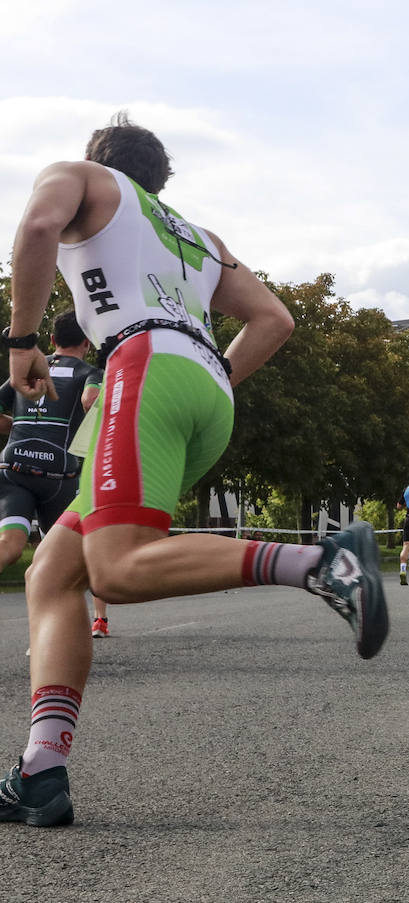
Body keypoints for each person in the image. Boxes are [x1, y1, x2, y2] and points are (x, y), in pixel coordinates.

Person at [0, 114, 387, 828]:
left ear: (102, 162)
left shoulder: (79, 177)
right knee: (53, 571)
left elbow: (34, 230)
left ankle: (325, 561)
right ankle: (41, 773)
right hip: (205, 388)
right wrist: (209, 376)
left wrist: (22, 339)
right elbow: (274, 319)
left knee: (117, 569)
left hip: (143, 367)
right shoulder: (198, 238)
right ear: (160, 181)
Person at [0, 312, 109, 636]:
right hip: (57, 476)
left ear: (51, 341)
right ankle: (78, 628)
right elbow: (90, 401)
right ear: (87, 343)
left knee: (9, 544)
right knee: (72, 558)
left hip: (13, 467)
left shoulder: (29, 365)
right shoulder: (90, 371)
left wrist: (16, 426)